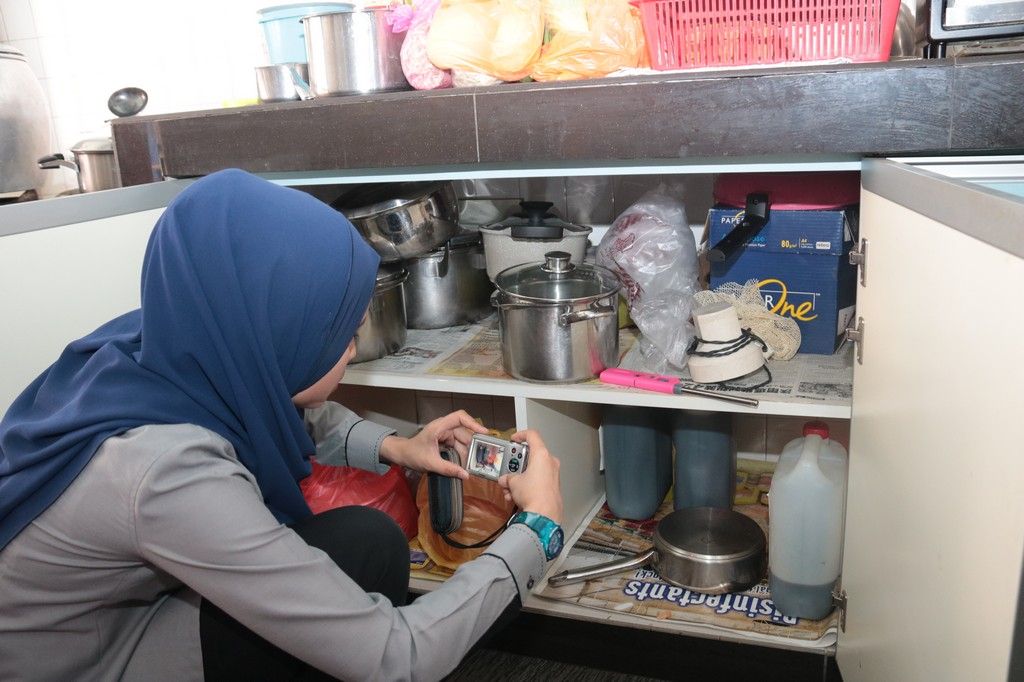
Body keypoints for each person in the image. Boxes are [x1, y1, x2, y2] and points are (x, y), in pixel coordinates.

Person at [0, 169, 564, 681]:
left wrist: (398, 446)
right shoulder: (168, 474)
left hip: (130, 607)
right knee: (361, 614)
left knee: (363, 542)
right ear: (280, 334)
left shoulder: (163, 340)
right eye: (340, 332)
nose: (350, 350)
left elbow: (267, 409)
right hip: (93, 661)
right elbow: (399, 658)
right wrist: (536, 529)